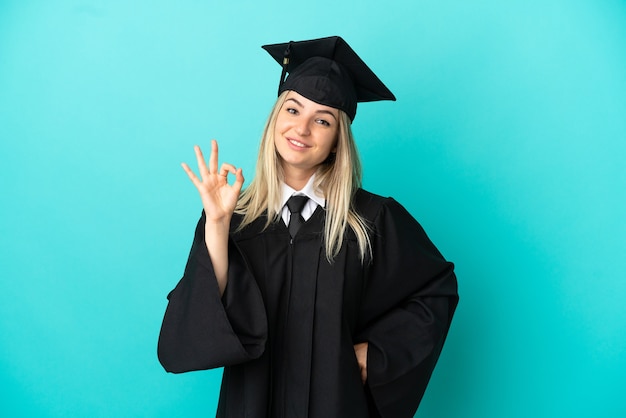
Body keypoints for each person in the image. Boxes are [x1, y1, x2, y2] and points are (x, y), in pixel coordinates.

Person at [158, 36, 458, 418]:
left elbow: (435, 291)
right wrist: (216, 225)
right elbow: (188, 331)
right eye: (293, 110)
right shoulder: (235, 216)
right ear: (275, 119)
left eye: (322, 120)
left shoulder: (373, 219)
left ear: (337, 140)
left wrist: (379, 353)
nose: (302, 129)